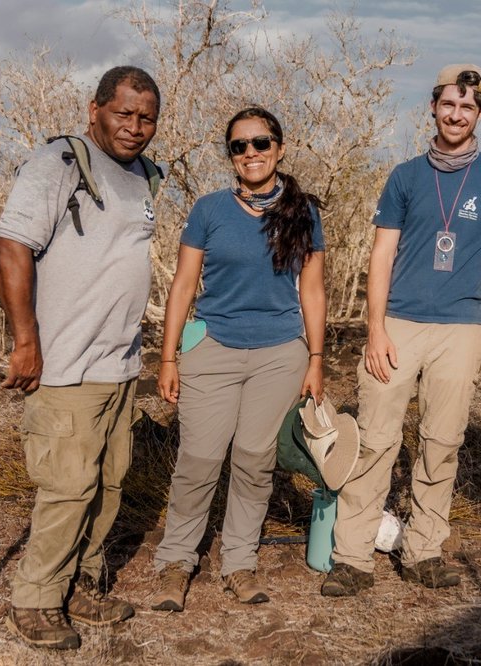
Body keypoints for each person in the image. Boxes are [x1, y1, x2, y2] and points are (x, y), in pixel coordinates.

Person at [321, 65, 481, 597]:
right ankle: (353, 556)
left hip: (462, 328)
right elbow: (382, 254)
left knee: (442, 442)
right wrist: (375, 330)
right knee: (374, 441)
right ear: (433, 107)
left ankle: (423, 551)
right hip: (399, 325)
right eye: (448, 104)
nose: (457, 115)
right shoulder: (405, 175)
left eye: (468, 106)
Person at [0, 66, 161, 649]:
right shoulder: (59, 164)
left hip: (118, 365)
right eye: (123, 113)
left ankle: (80, 585)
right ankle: (35, 600)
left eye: (146, 118)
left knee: (108, 484)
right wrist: (26, 342)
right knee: (67, 486)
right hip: (65, 363)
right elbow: (12, 246)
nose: (134, 127)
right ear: (95, 110)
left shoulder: (144, 177)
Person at [149, 107, 326, 609]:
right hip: (212, 350)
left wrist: (316, 358)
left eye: (261, 143)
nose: (251, 153)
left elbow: (312, 291)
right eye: (239, 146)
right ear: (230, 155)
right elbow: (183, 285)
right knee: (198, 461)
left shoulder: (303, 211)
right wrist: (168, 358)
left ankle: (239, 564)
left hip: (280, 355)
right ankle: (175, 563)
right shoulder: (209, 209)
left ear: (280, 148)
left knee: (255, 462)